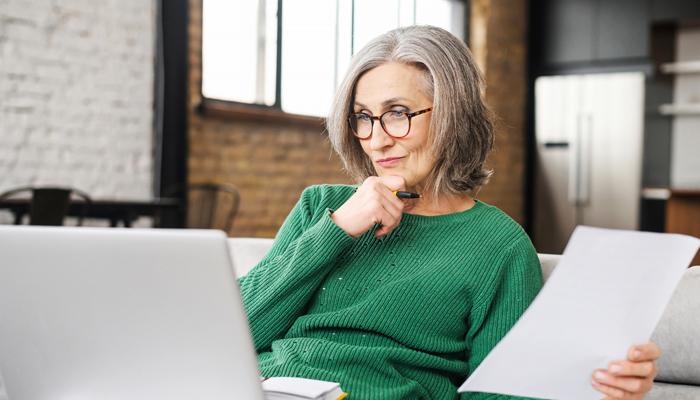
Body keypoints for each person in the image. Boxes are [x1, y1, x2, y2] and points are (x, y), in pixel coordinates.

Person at [238, 25, 659, 400]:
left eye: (397, 114)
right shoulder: (322, 208)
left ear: (453, 117)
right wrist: (338, 229)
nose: (376, 139)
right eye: (363, 118)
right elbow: (228, 333)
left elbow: (500, 393)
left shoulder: (498, 246)